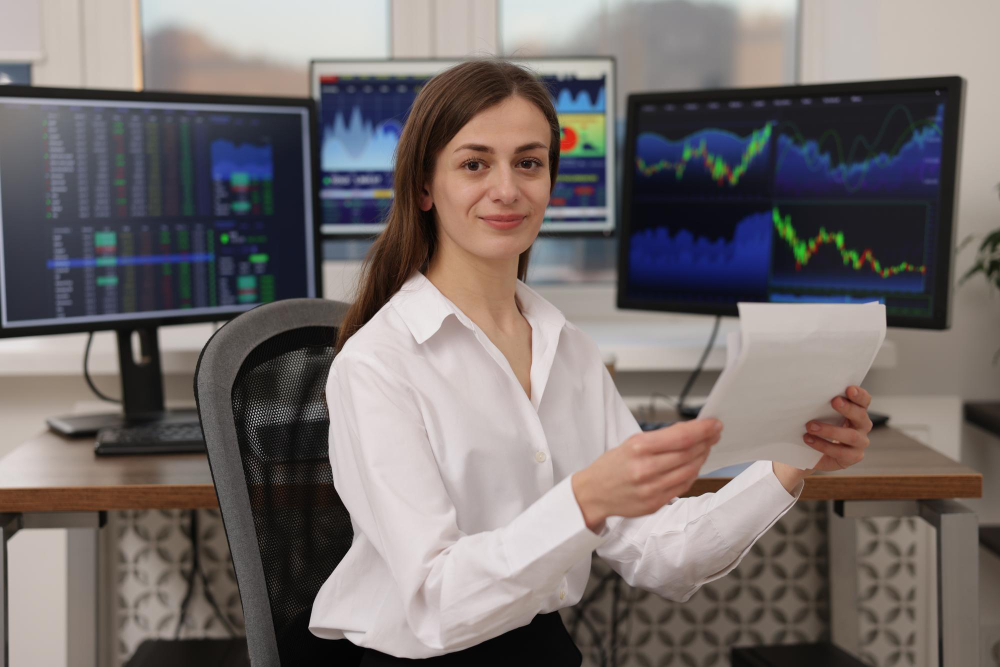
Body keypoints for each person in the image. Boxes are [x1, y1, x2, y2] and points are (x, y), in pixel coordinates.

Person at [309, 59, 874, 666]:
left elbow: (661, 553)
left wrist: (793, 459)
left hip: (541, 645)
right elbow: (437, 602)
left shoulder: (567, 348)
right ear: (425, 187)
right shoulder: (378, 364)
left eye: (529, 162)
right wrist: (584, 500)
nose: (507, 189)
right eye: (475, 164)